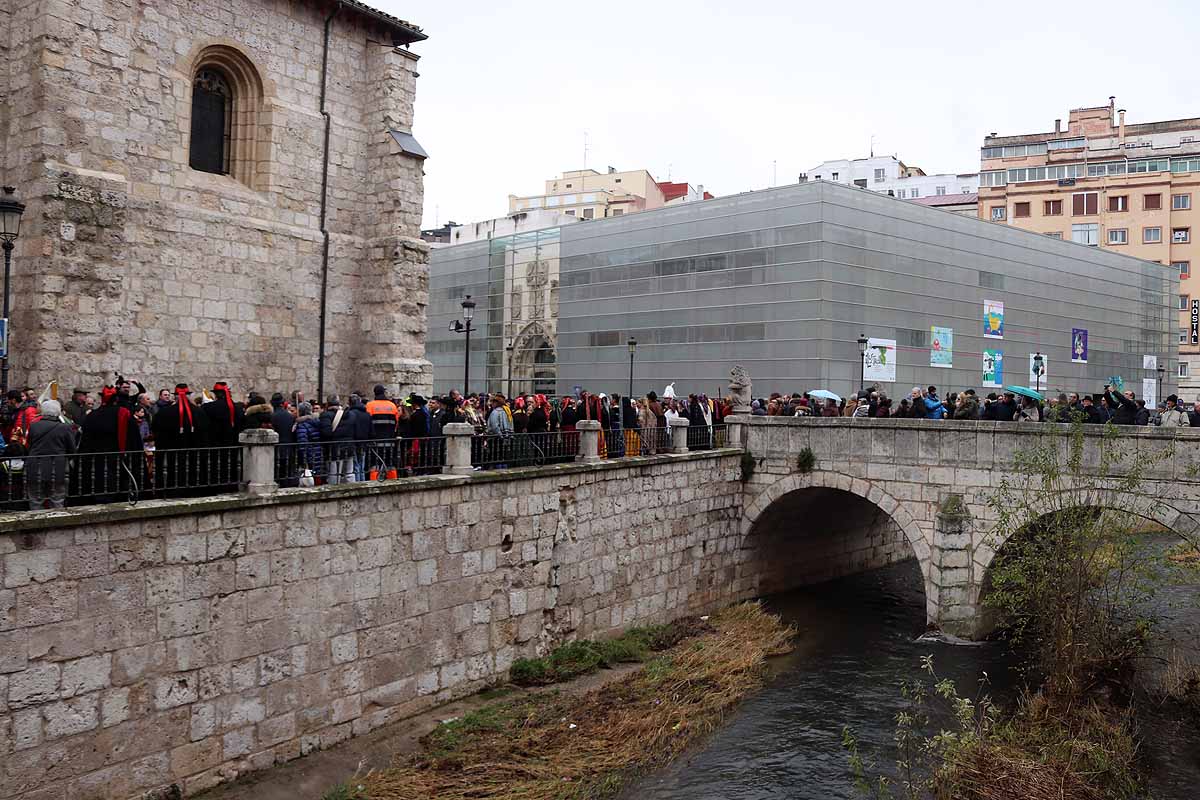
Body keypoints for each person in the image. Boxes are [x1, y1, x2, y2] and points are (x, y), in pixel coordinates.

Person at [78, 385, 145, 503]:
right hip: (119, 460)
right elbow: (134, 440)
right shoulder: (124, 414)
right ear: (116, 399)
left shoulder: (92, 416)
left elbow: (85, 442)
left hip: (97, 462)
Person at [151, 384, 212, 495]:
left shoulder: (165, 412)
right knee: (192, 469)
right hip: (193, 450)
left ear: (175, 396)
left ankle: (171, 490)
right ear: (188, 396)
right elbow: (205, 430)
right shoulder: (199, 412)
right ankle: (193, 488)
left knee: (173, 469)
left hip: (172, 449)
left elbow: (155, 429)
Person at [24, 400, 76, 510]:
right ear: (58, 412)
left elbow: (29, 445)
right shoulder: (65, 428)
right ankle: (56, 524)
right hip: (58, 467)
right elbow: (72, 449)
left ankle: (36, 525)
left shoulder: (34, 426)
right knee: (57, 500)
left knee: (36, 501)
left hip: (36, 466)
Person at [319, 396, 356, 484]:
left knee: (334, 475)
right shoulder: (351, 415)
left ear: (328, 404)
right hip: (349, 447)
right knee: (349, 473)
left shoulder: (326, 415)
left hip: (334, 449)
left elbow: (326, 433)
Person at [204, 381, 245, 446]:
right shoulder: (238, 407)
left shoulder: (208, 407)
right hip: (233, 442)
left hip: (216, 441)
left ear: (216, 394)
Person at [293, 402, 323, 484]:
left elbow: (302, 442)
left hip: (309, 454)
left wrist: (303, 458)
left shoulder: (302, 424)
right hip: (317, 452)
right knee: (316, 475)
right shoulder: (317, 421)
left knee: (309, 478)